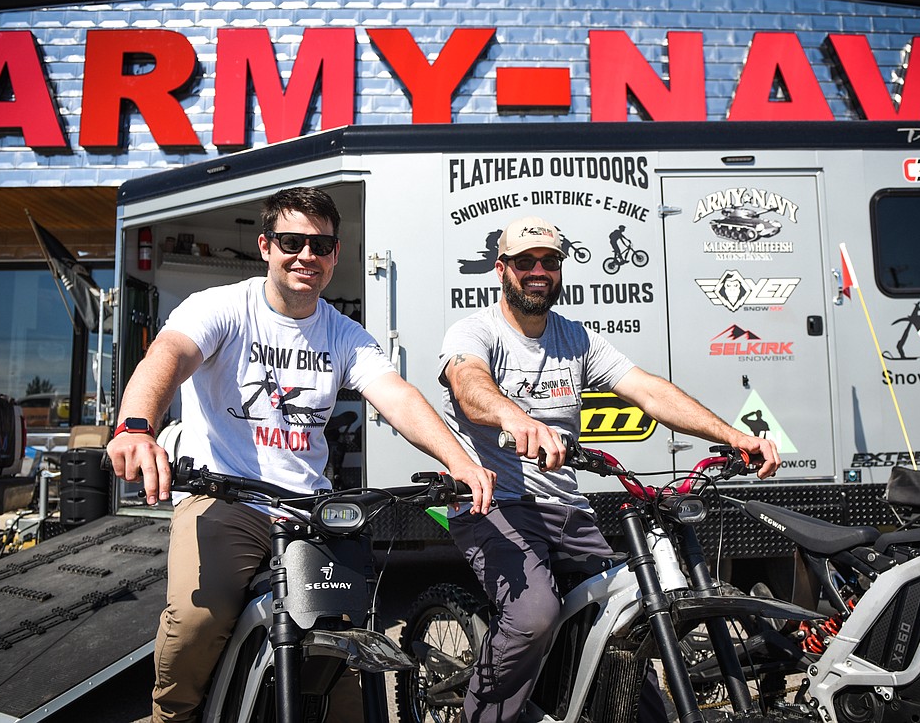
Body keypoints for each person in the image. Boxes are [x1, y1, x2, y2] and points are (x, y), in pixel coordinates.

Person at [106, 187, 495, 723]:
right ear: (266, 246)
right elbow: (166, 357)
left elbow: (398, 396)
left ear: (335, 255)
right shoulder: (222, 307)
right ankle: (170, 716)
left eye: (321, 245)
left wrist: (460, 461)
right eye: (292, 241)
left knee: (346, 637)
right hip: (225, 497)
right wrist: (135, 427)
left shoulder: (343, 333)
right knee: (200, 618)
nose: (306, 256)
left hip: (308, 511)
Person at [438, 215, 780, 723]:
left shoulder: (575, 338)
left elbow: (648, 390)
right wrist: (517, 417)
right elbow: (469, 385)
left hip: (565, 507)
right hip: (495, 504)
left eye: (549, 261)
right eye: (525, 261)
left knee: (628, 614)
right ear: (501, 269)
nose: (538, 270)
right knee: (534, 617)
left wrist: (732, 435)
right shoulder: (476, 330)